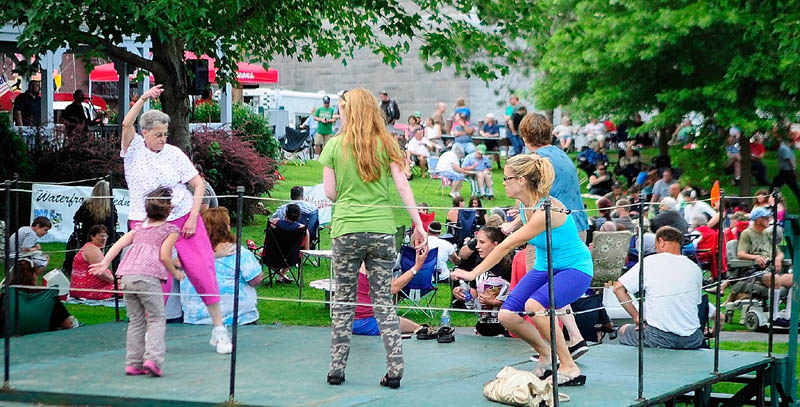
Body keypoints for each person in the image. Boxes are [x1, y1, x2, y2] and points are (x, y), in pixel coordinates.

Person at [452, 155, 592, 386]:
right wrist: (514, 223)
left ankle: (569, 367)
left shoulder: (545, 209)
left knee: (534, 306)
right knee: (507, 315)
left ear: (522, 180)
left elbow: (506, 245)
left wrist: (471, 274)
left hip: (574, 269)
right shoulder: (526, 206)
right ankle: (547, 357)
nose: (503, 182)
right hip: (544, 268)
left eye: (507, 178)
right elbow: (520, 229)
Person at [320, 88, 427, 389]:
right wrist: (418, 224)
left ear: (349, 111)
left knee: (343, 302)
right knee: (383, 303)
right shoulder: (387, 144)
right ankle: (395, 369)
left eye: (342, 108)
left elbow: (330, 193)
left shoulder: (334, 145)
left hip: (346, 230)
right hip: (381, 230)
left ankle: (336, 369)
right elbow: (403, 187)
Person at [121, 84, 232, 354]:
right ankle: (152, 334)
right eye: (157, 134)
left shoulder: (174, 154)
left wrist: (194, 217)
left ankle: (219, 329)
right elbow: (126, 122)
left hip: (182, 218)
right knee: (154, 277)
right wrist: (144, 97)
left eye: (165, 134)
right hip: (147, 223)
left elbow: (198, 184)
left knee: (202, 269)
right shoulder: (133, 149)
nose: (162, 138)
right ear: (144, 133)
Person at [90, 187, 185, 377]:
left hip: (127, 276)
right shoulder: (171, 229)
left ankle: (133, 363)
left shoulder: (139, 228)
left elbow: (118, 244)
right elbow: (165, 256)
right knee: (157, 318)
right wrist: (175, 272)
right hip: (148, 277)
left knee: (136, 321)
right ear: (169, 209)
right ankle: (153, 360)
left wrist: (104, 263)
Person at [613, 226, 704, 349]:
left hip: (659, 338)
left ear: (661, 242)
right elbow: (696, 302)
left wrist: (636, 317)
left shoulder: (650, 262)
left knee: (624, 329)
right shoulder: (695, 268)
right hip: (692, 339)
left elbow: (618, 288)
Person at [180, 207, 264, 326]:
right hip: (238, 321)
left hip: (195, 320)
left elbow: (175, 261)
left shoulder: (189, 254)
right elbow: (256, 279)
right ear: (227, 228)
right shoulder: (238, 252)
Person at [516, 113, 590, 241]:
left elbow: (525, 196)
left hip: (555, 232)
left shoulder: (536, 160)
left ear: (525, 136)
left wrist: (513, 223)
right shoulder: (561, 154)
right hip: (578, 227)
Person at [354, 247, 428, 336]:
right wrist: (417, 266)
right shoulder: (374, 265)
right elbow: (394, 288)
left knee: (413, 326)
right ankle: (422, 329)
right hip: (366, 321)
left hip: (345, 320)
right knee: (416, 328)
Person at [452, 227, 513, 337]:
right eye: (477, 242)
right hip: (482, 327)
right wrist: (460, 292)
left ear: (495, 244)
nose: (477, 246)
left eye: (482, 242)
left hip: (505, 329)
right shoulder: (478, 264)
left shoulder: (508, 266)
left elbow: (518, 296)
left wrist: (496, 302)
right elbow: (474, 294)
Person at [1, 259, 77, 332]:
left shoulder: (5, 295)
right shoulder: (49, 297)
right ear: (34, 276)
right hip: (45, 341)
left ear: (13, 276)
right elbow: (68, 324)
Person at [69, 224, 114, 300]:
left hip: (83, 289)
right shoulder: (92, 250)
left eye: (105, 236)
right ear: (92, 237)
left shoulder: (91, 247)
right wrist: (114, 281)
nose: (104, 239)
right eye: (101, 236)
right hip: (89, 290)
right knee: (128, 287)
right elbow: (99, 273)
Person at [270, 204, 310, 282]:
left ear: (286, 213)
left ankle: (280, 275)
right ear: (299, 216)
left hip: (272, 256)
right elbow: (307, 249)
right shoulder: (303, 228)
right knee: (291, 252)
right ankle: (281, 275)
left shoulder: (274, 222)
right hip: (292, 258)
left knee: (261, 252)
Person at [73, 180, 118, 246]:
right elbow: (114, 221)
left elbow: (77, 218)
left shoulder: (87, 205)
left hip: (87, 236)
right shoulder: (110, 207)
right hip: (107, 238)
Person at [771, 134, 800, 204]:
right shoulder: (785, 148)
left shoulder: (785, 148)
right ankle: (771, 201)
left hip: (786, 172)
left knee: (774, 187)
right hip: (786, 172)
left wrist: (793, 170)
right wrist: (793, 170)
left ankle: (770, 201)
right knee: (795, 189)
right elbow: (788, 160)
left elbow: (788, 160)